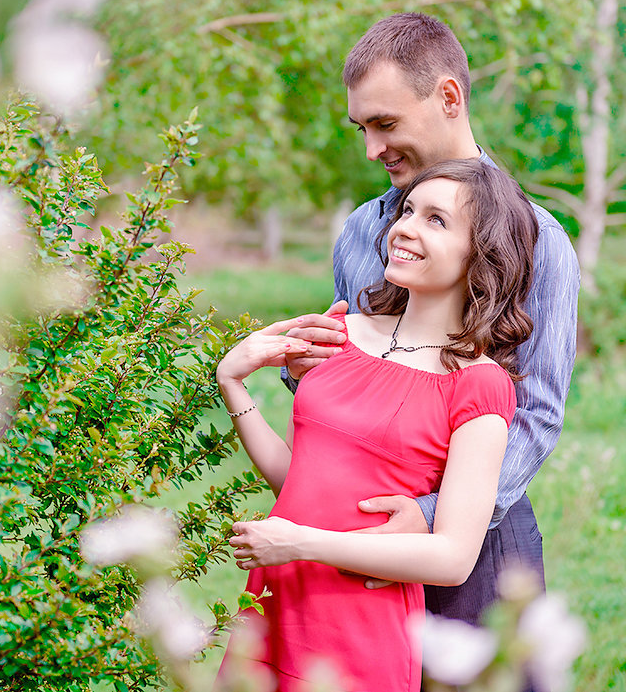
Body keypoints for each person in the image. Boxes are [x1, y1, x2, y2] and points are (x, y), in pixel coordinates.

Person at [282, 12, 580, 627]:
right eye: (361, 127)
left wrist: (430, 510)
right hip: (359, 540)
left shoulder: (541, 240)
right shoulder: (363, 230)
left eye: (386, 123)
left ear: (449, 97)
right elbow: (357, 378)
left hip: (478, 551)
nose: (372, 149)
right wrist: (305, 370)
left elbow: (539, 414)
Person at [217, 160, 539, 690]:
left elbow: (453, 557)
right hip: (276, 597)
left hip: (360, 621)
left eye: (436, 220)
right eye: (409, 210)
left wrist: (300, 543)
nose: (405, 228)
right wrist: (233, 384)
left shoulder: (479, 383)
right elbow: (301, 480)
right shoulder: (341, 332)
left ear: (480, 253)